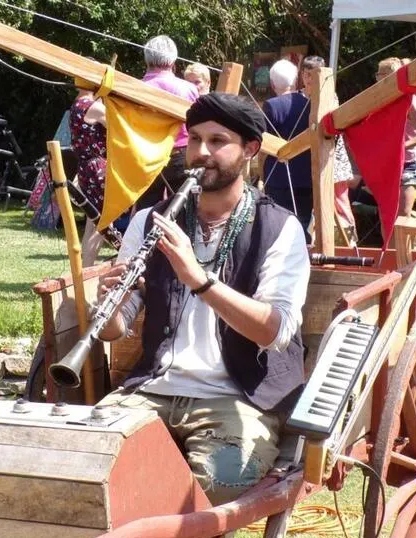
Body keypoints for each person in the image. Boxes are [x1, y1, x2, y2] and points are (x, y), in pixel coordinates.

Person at [95, 93, 311, 505]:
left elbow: (274, 331)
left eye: (217, 141)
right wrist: (108, 305)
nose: (201, 153)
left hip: (238, 399)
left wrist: (198, 278)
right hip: (151, 390)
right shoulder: (151, 220)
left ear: (250, 149)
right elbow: (114, 330)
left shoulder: (279, 229)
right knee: (87, 459)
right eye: (194, 139)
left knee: (218, 482)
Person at [137, 35, 200, 212]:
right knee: (186, 209)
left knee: (146, 210)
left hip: (146, 156)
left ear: (147, 59)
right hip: (180, 155)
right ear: (173, 60)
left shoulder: (135, 88)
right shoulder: (188, 89)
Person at [261, 58, 313, 237]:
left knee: (278, 227)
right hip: (307, 176)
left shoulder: (271, 106)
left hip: (278, 177)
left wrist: (261, 174)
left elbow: (263, 143)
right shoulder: (311, 105)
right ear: (296, 80)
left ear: (272, 83)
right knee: (302, 225)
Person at [376, 57, 416, 217]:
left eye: (381, 75)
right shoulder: (383, 100)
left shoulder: (409, 99)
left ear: (392, 77)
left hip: (410, 163)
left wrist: (399, 147)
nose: (377, 79)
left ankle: (410, 234)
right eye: (377, 75)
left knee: (401, 217)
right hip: (390, 163)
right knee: (386, 216)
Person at [69, 89, 108, 266]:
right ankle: (87, 268)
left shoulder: (77, 105)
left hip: (85, 168)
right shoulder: (95, 108)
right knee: (103, 222)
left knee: (92, 222)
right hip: (98, 168)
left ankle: (84, 269)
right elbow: (121, 129)